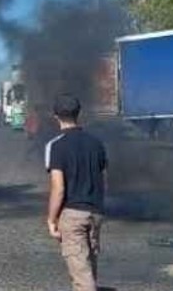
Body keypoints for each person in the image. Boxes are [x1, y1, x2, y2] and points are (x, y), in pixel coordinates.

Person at [44, 94, 107, 291]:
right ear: (79, 114)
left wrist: (51, 219)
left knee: (82, 278)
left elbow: (58, 188)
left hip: (72, 215)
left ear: (56, 117)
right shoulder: (96, 144)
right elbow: (104, 179)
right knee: (88, 268)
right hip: (95, 211)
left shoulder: (57, 146)